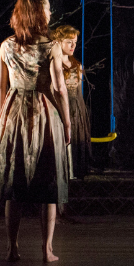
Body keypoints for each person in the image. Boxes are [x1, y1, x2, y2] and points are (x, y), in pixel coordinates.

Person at [0, 0, 72, 263]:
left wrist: (5, 117)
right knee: (48, 184)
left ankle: (12, 247)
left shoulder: (6, 46)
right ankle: (46, 250)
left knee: (15, 183)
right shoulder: (51, 46)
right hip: (44, 112)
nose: (49, 13)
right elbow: (59, 88)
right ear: (38, 13)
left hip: (13, 112)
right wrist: (67, 122)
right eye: (46, 8)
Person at [50, 25, 92, 182]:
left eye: (75, 42)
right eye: (69, 42)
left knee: (76, 136)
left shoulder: (77, 65)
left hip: (76, 105)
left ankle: (77, 169)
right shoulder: (54, 64)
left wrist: (82, 110)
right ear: (59, 42)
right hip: (61, 105)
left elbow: (79, 91)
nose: (73, 45)